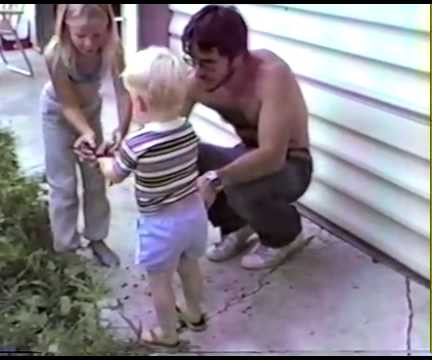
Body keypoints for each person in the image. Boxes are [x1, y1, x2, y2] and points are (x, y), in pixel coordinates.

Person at [181, 5, 313, 270]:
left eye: (207, 62)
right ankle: (236, 226)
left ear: (238, 57)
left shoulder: (271, 76)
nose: (198, 71)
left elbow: (272, 157)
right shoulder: (197, 80)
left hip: (291, 164)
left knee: (237, 184)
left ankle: (285, 235)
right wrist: (125, 152)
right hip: (247, 151)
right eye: (193, 61)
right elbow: (168, 131)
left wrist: (215, 178)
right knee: (186, 154)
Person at [98, 46, 208, 347]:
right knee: (190, 266)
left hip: (161, 223)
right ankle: (196, 315)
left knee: (160, 281)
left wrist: (103, 163)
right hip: (194, 215)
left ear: (141, 103)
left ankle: (168, 334)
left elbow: (116, 175)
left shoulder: (137, 143)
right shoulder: (187, 129)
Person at [39, 4, 131, 267]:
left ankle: (97, 238)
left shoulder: (114, 48)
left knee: (95, 180)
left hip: (91, 111)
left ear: (108, 27)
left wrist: (120, 133)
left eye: (97, 35)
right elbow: (68, 105)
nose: (90, 44)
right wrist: (88, 133)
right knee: (63, 184)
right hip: (57, 115)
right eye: (81, 35)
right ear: (65, 27)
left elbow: (124, 93)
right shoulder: (55, 54)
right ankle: (67, 249)